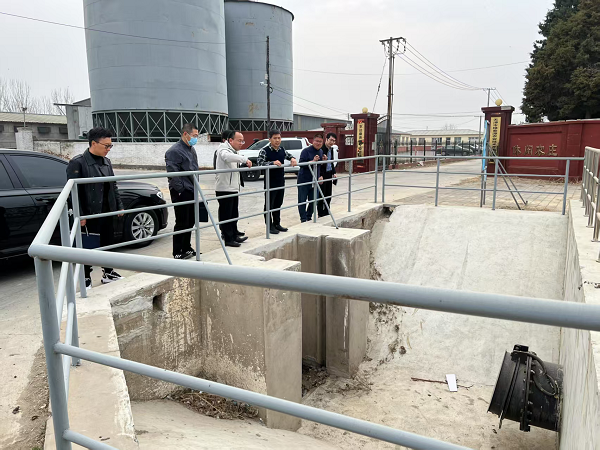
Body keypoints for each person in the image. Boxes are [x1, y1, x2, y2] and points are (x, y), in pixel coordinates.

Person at [66, 127, 124, 289]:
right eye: (106, 145)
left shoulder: (106, 162)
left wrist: (119, 206)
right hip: (90, 213)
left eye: (110, 145)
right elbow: (73, 192)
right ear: (93, 143)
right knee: (87, 246)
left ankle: (108, 273)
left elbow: (113, 186)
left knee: (108, 243)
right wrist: (80, 214)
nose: (109, 149)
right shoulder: (78, 163)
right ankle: (85, 277)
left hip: (107, 210)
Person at [165, 123, 208, 260]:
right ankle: (177, 251)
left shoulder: (191, 149)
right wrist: (180, 189)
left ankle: (186, 247)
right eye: (194, 135)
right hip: (182, 191)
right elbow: (173, 173)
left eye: (197, 136)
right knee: (182, 221)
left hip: (192, 189)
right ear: (185, 134)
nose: (196, 138)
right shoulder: (174, 151)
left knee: (190, 221)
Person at [215, 130, 252, 247]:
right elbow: (227, 157)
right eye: (239, 141)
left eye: (242, 141)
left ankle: (234, 234)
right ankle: (228, 238)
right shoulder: (223, 149)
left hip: (233, 188)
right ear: (230, 140)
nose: (241, 143)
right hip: (224, 188)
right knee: (226, 215)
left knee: (233, 213)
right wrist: (244, 159)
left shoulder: (233, 150)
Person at [257, 129, 297, 234]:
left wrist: (292, 158)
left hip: (280, 181)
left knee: (278, 204)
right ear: (269, 139)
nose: (277, 140)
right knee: (269, 205)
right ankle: (269, 226)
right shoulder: (264, 150)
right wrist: (272, 163)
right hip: (270, 182)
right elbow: (260, 163)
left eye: (279, 138)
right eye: (275, 138)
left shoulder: (282, 149)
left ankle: (277, 224)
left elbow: (288, 155)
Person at [297, 133, 324, 223]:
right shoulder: (306, 151)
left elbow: (319, 166)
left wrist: (320, 175)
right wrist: (312, 161)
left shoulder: (320, 151)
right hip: (304, 180)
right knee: (302, 200)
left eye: (320, 142)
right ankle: (303, 219)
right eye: (316, 141)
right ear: (313, 141)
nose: (318, 143)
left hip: (315, 180)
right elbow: (301, 164)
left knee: (314, 201)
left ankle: (309, 217)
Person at [317, 133, 338, 217]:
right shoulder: (321, 149)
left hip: (329, 173)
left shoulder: (331, 149)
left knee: (328, 194)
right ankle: (320, 213)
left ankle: (327, 211)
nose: (332, 142)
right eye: (331, 140)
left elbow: (331, 162)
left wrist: (334, 172)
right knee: (321, 194)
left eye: (334, 141)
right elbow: (319, 164)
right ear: (326, 139)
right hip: (322, 174)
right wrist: (320, 175)